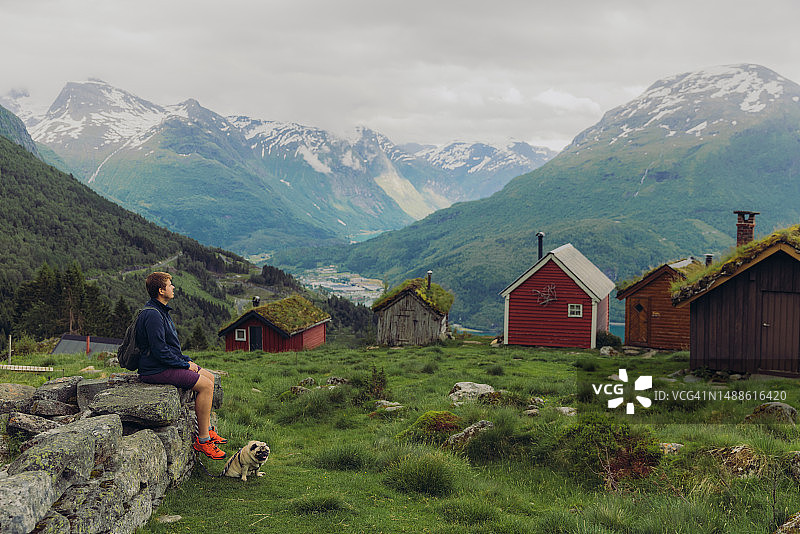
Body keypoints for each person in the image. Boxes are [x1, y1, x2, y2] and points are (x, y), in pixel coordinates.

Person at [135, 271, 227, 459]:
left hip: (164, 364)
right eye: (170, 284)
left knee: (210, 377)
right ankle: (202, 441)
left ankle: (208, 429)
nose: (173, 287)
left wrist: (185, 360)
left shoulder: (160, 311)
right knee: (206, 386)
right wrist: (183, 366)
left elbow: (169, 347)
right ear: (161, 290)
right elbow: (159, 351)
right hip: (154, 370)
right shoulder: (153, 315)